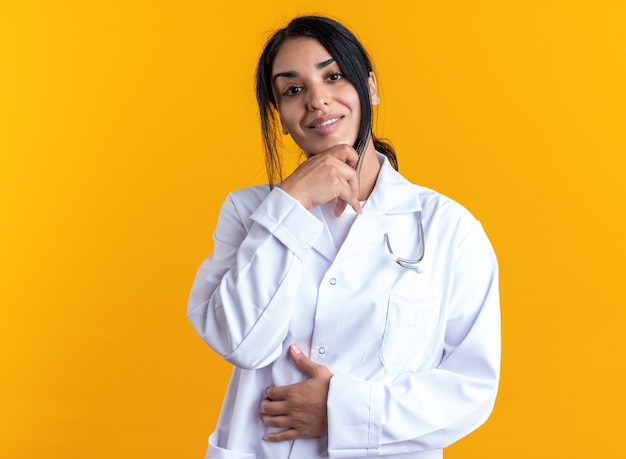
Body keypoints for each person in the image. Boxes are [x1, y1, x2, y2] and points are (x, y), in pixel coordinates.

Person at [188, 15, 500, 459]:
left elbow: (471, 388)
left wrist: (344, 411)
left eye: (333, 76)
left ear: (369, 88)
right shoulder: (247, 213)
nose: (317, 100)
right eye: (293, 90)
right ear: (280, 116)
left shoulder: (449, 230)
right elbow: (240, 341)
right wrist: (291, 203)